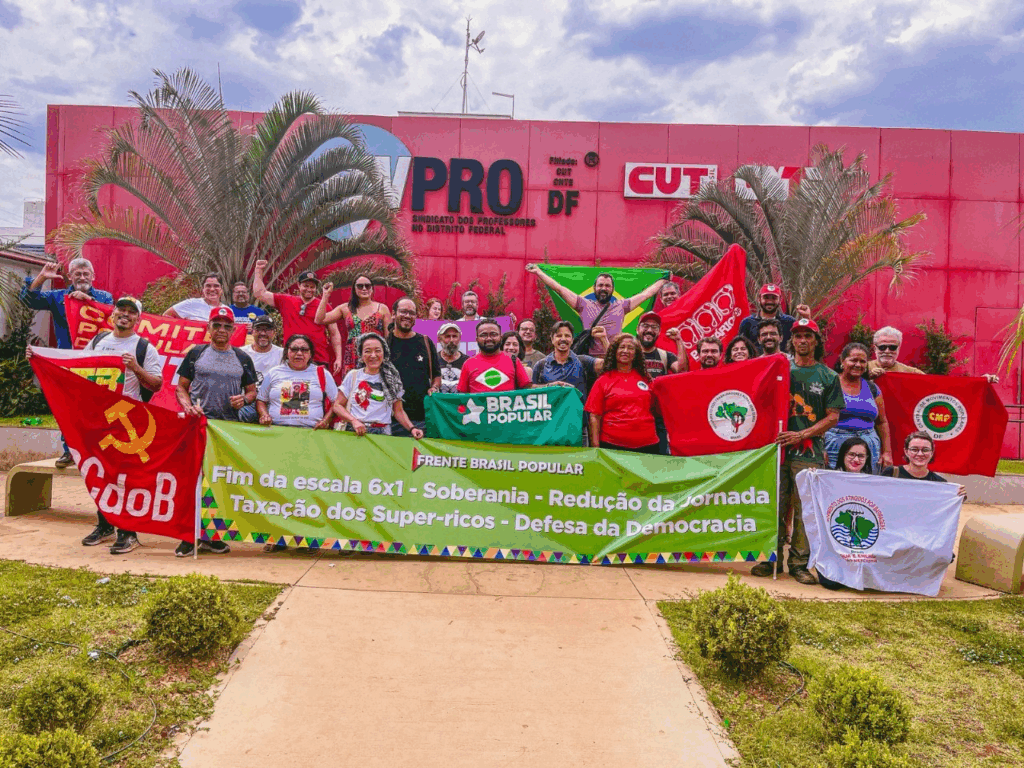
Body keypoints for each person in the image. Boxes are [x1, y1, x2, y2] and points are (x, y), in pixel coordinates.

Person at [751, 317, 844, 585]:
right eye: (798, 336)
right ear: (791, 340)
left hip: (808, 452)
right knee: (775, 505)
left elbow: (833, 416)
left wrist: (801, 434)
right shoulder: (780, 368)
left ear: (816, 341)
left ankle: (799, 563)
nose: (803, 340)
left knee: (805, 509)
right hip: (777, 449)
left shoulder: (828, 376)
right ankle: (771, 558)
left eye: (808, 336)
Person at [76, 296, 162, 554]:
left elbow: (156, 384)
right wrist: (40, 357)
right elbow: (78, 368)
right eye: (121, 309)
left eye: (131, 312)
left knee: (125, 479)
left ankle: (128, 532)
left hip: (127, 423)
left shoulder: (144, 347)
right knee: (100, 475)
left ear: (138, 319)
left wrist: (135, 368)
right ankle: (105, 526)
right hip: (98, 421)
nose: (125, 314)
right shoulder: (98, 341)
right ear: (113, 313)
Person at [174, 307, 258, 557]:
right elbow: (181, 387)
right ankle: (188, 536)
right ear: (208, 327)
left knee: (219, 482)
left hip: (227, 429)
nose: (221, 330)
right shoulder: (196, 353)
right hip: (198, 426)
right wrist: (188, 406)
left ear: (233, 330)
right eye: (217, 324)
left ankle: (212, 536)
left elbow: (252, 391)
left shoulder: (242, 358)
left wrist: (244, 399)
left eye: (226, 326)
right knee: (193, 481)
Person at [20, 257, 113, 468]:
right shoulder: (57, 296)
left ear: (93, 276)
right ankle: (69, 451)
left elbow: (111, 317)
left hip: (96, 362)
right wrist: (42, 277)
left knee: (97, 409)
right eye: (77, 274)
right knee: (68, 408)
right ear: (70, 276)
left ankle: (98, 454)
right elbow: (28, 301)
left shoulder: (104, 297)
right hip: (68, 362)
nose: (82, 277)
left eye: (86, 274)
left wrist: (87, 301)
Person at [525, 264, 667, 356]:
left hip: (614, 358)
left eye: (607, 286)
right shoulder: (583, 305)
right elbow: (560, 289)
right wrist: (538, 272)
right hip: (589, 359)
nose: (603, 288)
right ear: (595, 288)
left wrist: (663, 280)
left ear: (612, 289)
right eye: (600, 285)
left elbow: (646, 294)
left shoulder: (622, 306)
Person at [253, 261, 342, 375]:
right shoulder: (286, 301)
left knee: (318, 386)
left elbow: (334, 333)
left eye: (312, 287)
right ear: (299, 285)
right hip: (292, 358)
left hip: (318, 359)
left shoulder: (324, 306)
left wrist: (338, 358)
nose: (309, 289)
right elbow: (260, 293)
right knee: (290, 386)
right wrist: (258, 270)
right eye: (306, 286)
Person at [334, 333, 424, 439]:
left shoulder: (392, 378)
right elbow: (337, 406)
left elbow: (398, 411)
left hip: (382, 434)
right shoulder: (353, 375)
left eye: (377, 351)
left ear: (384, 353)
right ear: (361, 355)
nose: (373, 355)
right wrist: (353, 421)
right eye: (367, 351)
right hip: (356, 432)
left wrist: (412, 429)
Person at [824, 342, 892, 473]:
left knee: (866, 485)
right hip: (835, 445)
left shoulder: (873, 388)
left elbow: (882, 422)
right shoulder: (829, 385)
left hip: (868, 446)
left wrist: (887, 453)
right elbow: (817, 418)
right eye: (853, 360)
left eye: (862, 361)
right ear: (842, 361)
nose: (858, 365)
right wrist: (820, 448)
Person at [585, 333, 659, 453]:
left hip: (648, 444)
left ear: (636, 354)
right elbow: (594, 416)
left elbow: (655, 408)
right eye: (622, 347)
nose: (625, 351)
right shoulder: (603, 380)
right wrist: (595, 446)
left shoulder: (646, 378)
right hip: (612, 445)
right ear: (615, 351)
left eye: (630, 348)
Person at [256, 334, 338, 430]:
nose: (299, 353)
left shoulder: (322, 373)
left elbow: (337, 402)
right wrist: (264, 415)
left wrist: (326, 421)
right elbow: (261, 400)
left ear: (310, 354)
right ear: (286, 352)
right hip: (276, 430)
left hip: (312, 431)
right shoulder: (273, 373)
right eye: (294, 349)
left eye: (304, 350)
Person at [315, 275, 392, 375]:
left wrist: (386, 360)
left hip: (374, 356)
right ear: (354, 289)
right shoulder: (345, 308)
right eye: (360, 286)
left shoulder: (382, 309)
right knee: (353, 383)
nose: (364, 288)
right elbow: (319, 319)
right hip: (352, 357)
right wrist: (325, 296)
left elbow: (388, 338)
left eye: (367, 286)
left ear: (372, 288)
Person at [866, 326, 1000, 383]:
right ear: (874, 348)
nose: (887, 351)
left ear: (899, 348)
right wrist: (867, 377)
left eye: (892, 347)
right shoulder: (862, 368)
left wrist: (980, 381)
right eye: (882, 347)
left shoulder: (910, 372)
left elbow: (939, 385)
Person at [387, 297, 440, 436]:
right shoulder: (384, 344)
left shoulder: (425, 342)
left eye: (411, 313)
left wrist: (434, 388)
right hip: (389, 420)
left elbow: (436, 375)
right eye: (403, 311)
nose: (407, 316)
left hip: (421, 419)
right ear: (394, 314)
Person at [458, 319, 532, 393]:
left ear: (500, 337)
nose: (489, 338)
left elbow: (527, 391)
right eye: (484, 335)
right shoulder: (468, 364)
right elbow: (461, 396)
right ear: (477, 339)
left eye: (493, 334)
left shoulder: (513, 360)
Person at [881, 431, 966, 496]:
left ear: (932, 453)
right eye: (914, 449)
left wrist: (957, 496)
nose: (920, 454)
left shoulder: (940, 483)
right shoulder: (891, 473)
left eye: (925, 450)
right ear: (906, 451)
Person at [533, 321, 604, 397]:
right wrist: (550, 386)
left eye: (567, 336)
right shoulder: (541, 365)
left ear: (572, 339)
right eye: (559, 336)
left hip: (578, 405)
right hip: (551, 405)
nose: (563, 339)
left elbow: (609, 364)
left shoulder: (583, 361)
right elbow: (531, 390)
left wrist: (603, 339)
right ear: (552, 339)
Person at [738, 284, 798, 349]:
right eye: (766, 297)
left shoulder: (789, 322)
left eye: (774, 298)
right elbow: (742, 348)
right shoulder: (747, 323)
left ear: (780, 299)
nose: (769, 301)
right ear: (759, 299)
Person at [636, 312, 685, 378]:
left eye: (654, 327)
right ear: (637, 329)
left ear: (659, 331)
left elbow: (682, 371)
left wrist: (678, 340)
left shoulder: (666, 356)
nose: (650, 330)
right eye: (645, 326)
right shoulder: (630, 354)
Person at [437, 322, 468, 394]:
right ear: (439, 339)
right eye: (447, 336)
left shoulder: (467, 362)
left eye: (454, 336)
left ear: (459, 338)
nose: (451, 340)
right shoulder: (433, 360)